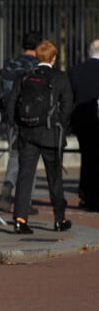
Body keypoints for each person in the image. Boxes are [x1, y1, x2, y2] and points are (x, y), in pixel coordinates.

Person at [6, 40, 73, 234]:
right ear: (53, 57)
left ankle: (19, 219)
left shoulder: (25, 76)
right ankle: (59, 220)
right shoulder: (60, 77)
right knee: (54, 178)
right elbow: (68, 107)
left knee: (25, 176)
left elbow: (12, 105)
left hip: (27, 134)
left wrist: (18, 126)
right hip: (51, 134)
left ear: (37, 56)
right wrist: (60, 123)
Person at [0, 31, 42, 214]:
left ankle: (8, 184)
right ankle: (25, 202)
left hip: (11, 118)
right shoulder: (36, 67)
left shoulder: (9, 65)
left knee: (14, 154)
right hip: (31, 119)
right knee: (30, 160)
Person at [68, 39, 99, 212]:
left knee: (87, 158)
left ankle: (85, 193)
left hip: (82, 122)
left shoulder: (76, 70)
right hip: (95, 118)